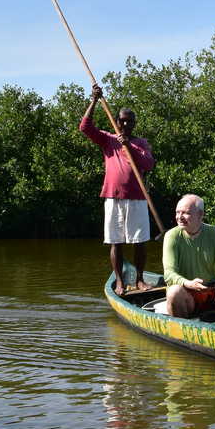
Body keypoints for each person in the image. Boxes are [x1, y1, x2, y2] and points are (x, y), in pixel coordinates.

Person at [80, 83, 156, 295]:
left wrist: (129, 145)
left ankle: (140, 280)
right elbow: (85, 127)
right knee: (116, 241)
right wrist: (94, 100)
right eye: (122, 120)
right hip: (113, 197)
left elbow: (148, 164)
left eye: (129, 121)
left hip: (138, 198)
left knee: (140, 240)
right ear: (117, 121)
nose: (125, 123)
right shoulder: (108, 139)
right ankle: (121, 282)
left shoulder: (140, 142)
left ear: (134, 123)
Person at [163, 194, 215, 317]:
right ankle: (183, 329)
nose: (179, 217)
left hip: (211, 290)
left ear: (200, 215)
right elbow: (169, 274)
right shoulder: (171, 236)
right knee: (174, 291)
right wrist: (188, 283)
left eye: (185, 213)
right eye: (177, 212)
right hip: (186, 293)